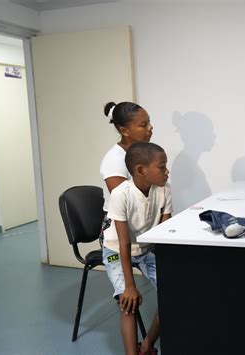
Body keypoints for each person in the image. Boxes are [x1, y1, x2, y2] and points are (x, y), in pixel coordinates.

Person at [99, 101, 159, 354]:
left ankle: (146, 347)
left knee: (177, 290)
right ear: (125, 130)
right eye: (143, 125)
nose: (150, 128)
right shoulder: (113, 162)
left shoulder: (148, 155)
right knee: (128, 302)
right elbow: (129, 210)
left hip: (144, 240)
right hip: (120, 239)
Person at [102, 142, 172, 355]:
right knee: (128, 303)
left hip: (146, 249)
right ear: (142, 170)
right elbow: (123, 242)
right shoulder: (121, 194)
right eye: (162, 166)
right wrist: (130, 286)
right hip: (116, 250)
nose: (167, 171)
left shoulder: (165, 189)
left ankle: (147, 346)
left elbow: (164, 232)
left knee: (173, 295)